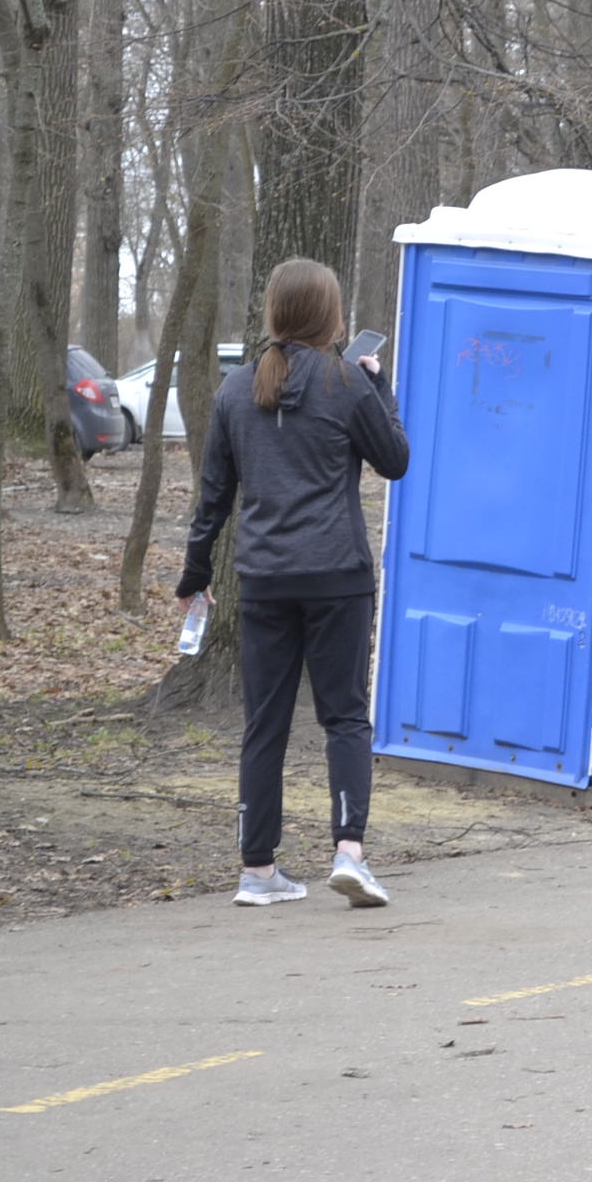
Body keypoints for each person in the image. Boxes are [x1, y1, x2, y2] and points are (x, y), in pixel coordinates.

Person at [178, 258, 411, 907]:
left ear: (275, 313)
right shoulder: (348, 382)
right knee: (345, 717)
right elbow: (395, 459)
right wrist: (381, 385)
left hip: (265, 579)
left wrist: (195, 573)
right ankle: (349, 853)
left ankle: (257, 872)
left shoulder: (236, 389)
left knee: (265, 724)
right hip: (337, 576)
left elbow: (213, 498)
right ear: (331, 318)